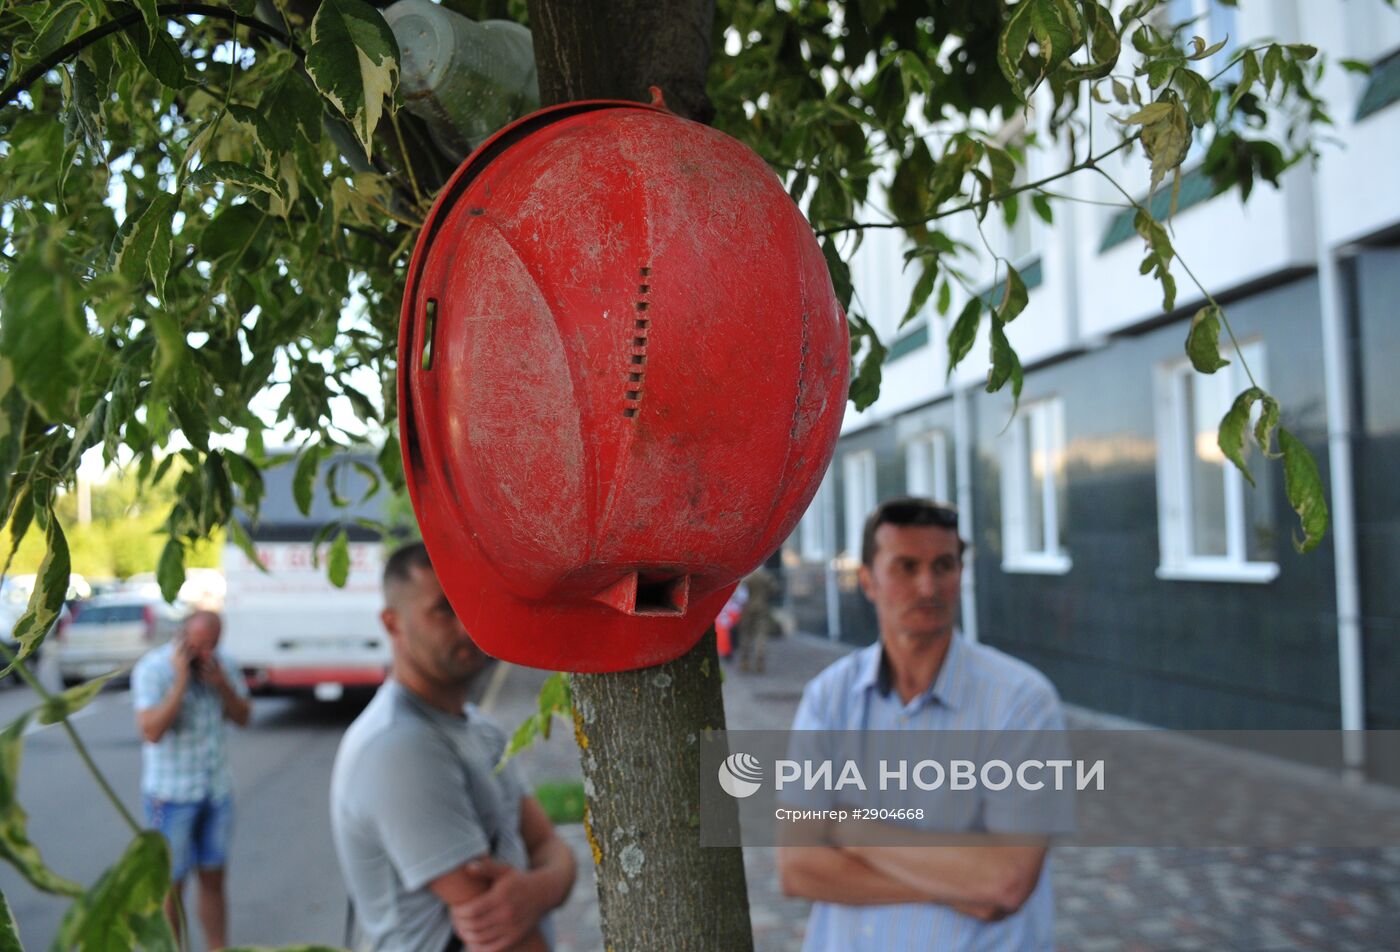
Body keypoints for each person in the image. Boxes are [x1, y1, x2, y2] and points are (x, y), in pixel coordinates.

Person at [777, 497, 1067, 950]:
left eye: (944, 566)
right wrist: (963, 882)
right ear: (867, 580)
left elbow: (1007, 882)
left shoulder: (1021, 703)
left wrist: (852, 831)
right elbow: (797, 868)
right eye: (906, 567)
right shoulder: (829, 697)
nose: (928, 585)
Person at [331, 542, 577, 952]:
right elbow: (501, 933)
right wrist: (548, 883)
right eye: (444, 610)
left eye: (471, 602)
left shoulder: (480, 727)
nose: (467, 625)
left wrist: (536, 891)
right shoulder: (399, 746)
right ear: (392, 623)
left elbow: (548, 844)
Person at [132, 609, 251, 950]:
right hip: (171, 797)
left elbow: (244, 717)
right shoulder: (154, 669)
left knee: (214, 877)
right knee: (171, 885)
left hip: (216, 790)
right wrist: (181, 680)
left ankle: (217, 947)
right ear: (182, 639)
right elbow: (152, 731)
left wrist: (222, 685)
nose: (205, 653)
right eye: (199, 645)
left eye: (212, 645)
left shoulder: (222, 664)